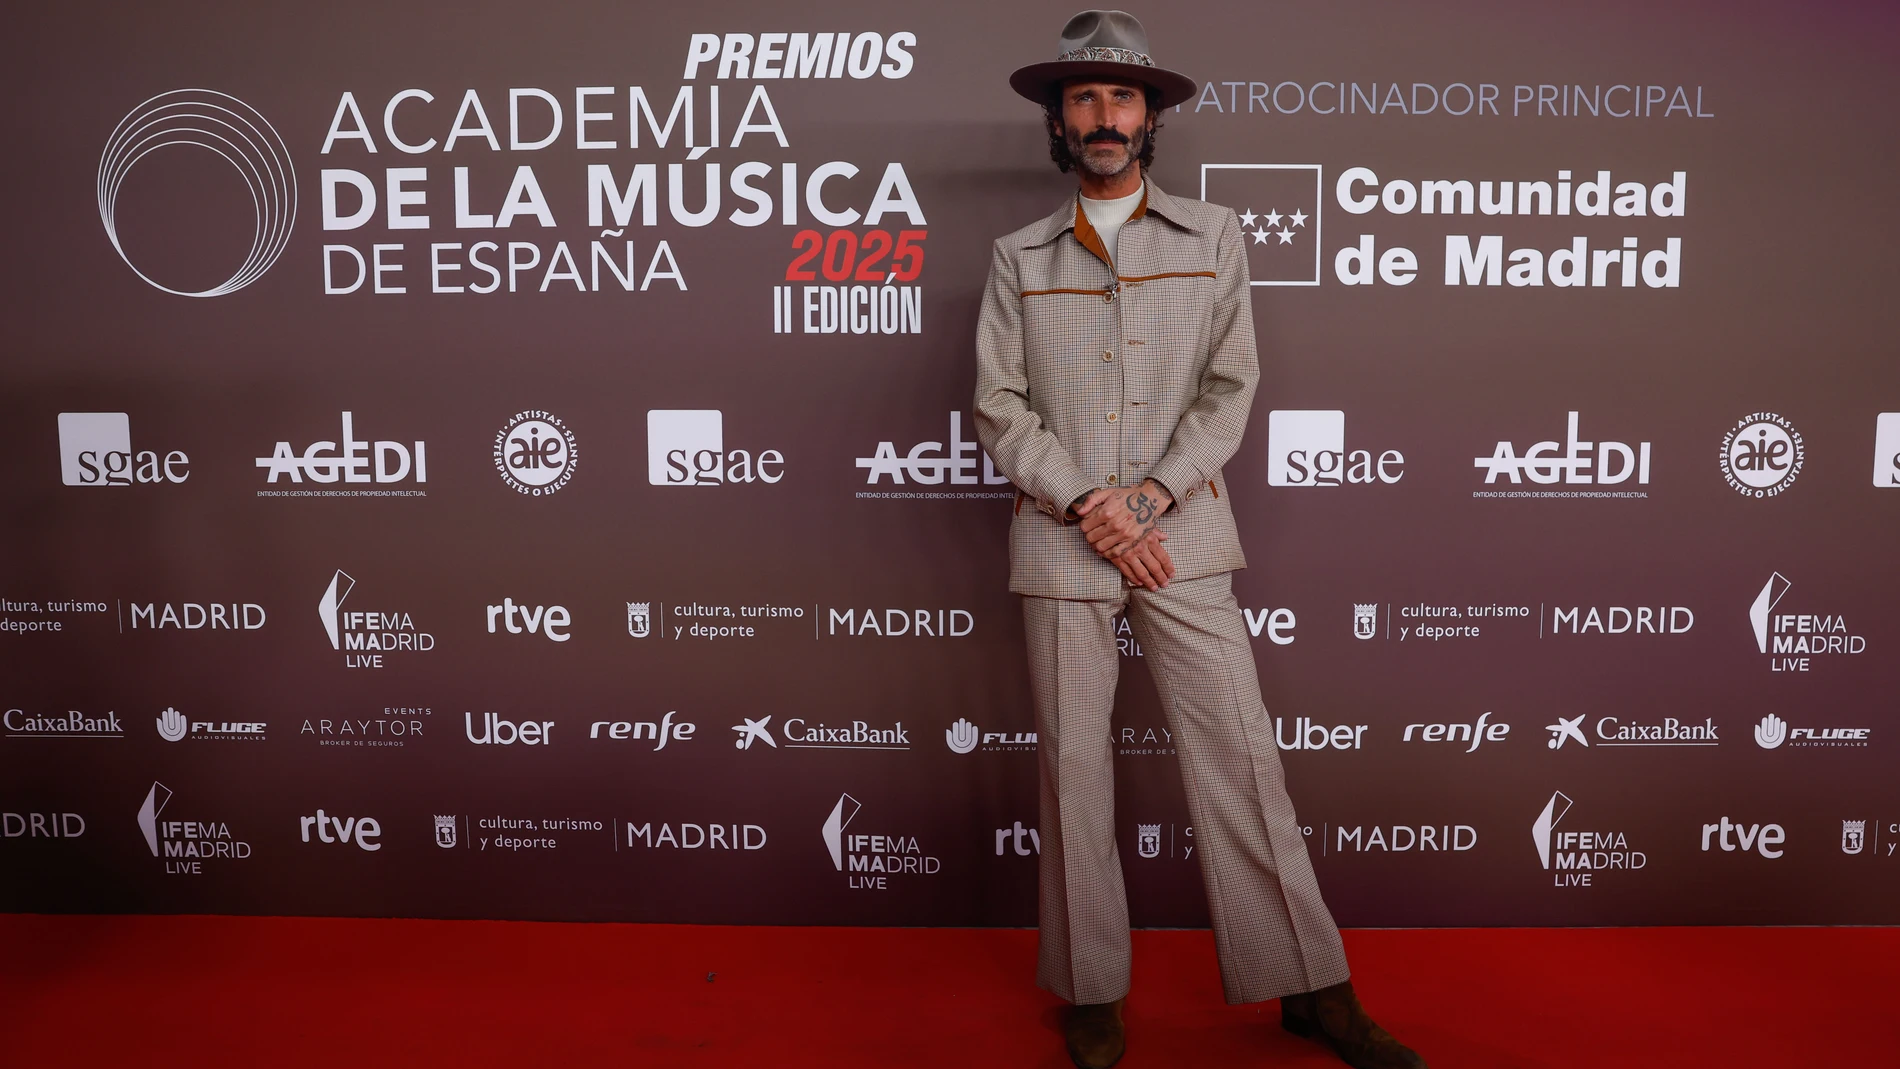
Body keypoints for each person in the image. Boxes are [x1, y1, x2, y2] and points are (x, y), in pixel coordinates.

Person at [973, 11, 1427, 1069]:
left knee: (1241, 758)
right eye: (1082, 98)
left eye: (1121, 98)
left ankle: (1311, 987)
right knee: (1072, 769)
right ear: (1056, 120)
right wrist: (1094, 505)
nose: (1102, 117)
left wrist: (1150, 499)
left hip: (1183, 537)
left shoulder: (1213, 236)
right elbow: (999, 405)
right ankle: (1091, 989)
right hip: (1059, 539)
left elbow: (1230, 389)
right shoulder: (1016, 255)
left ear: (1151, 116)